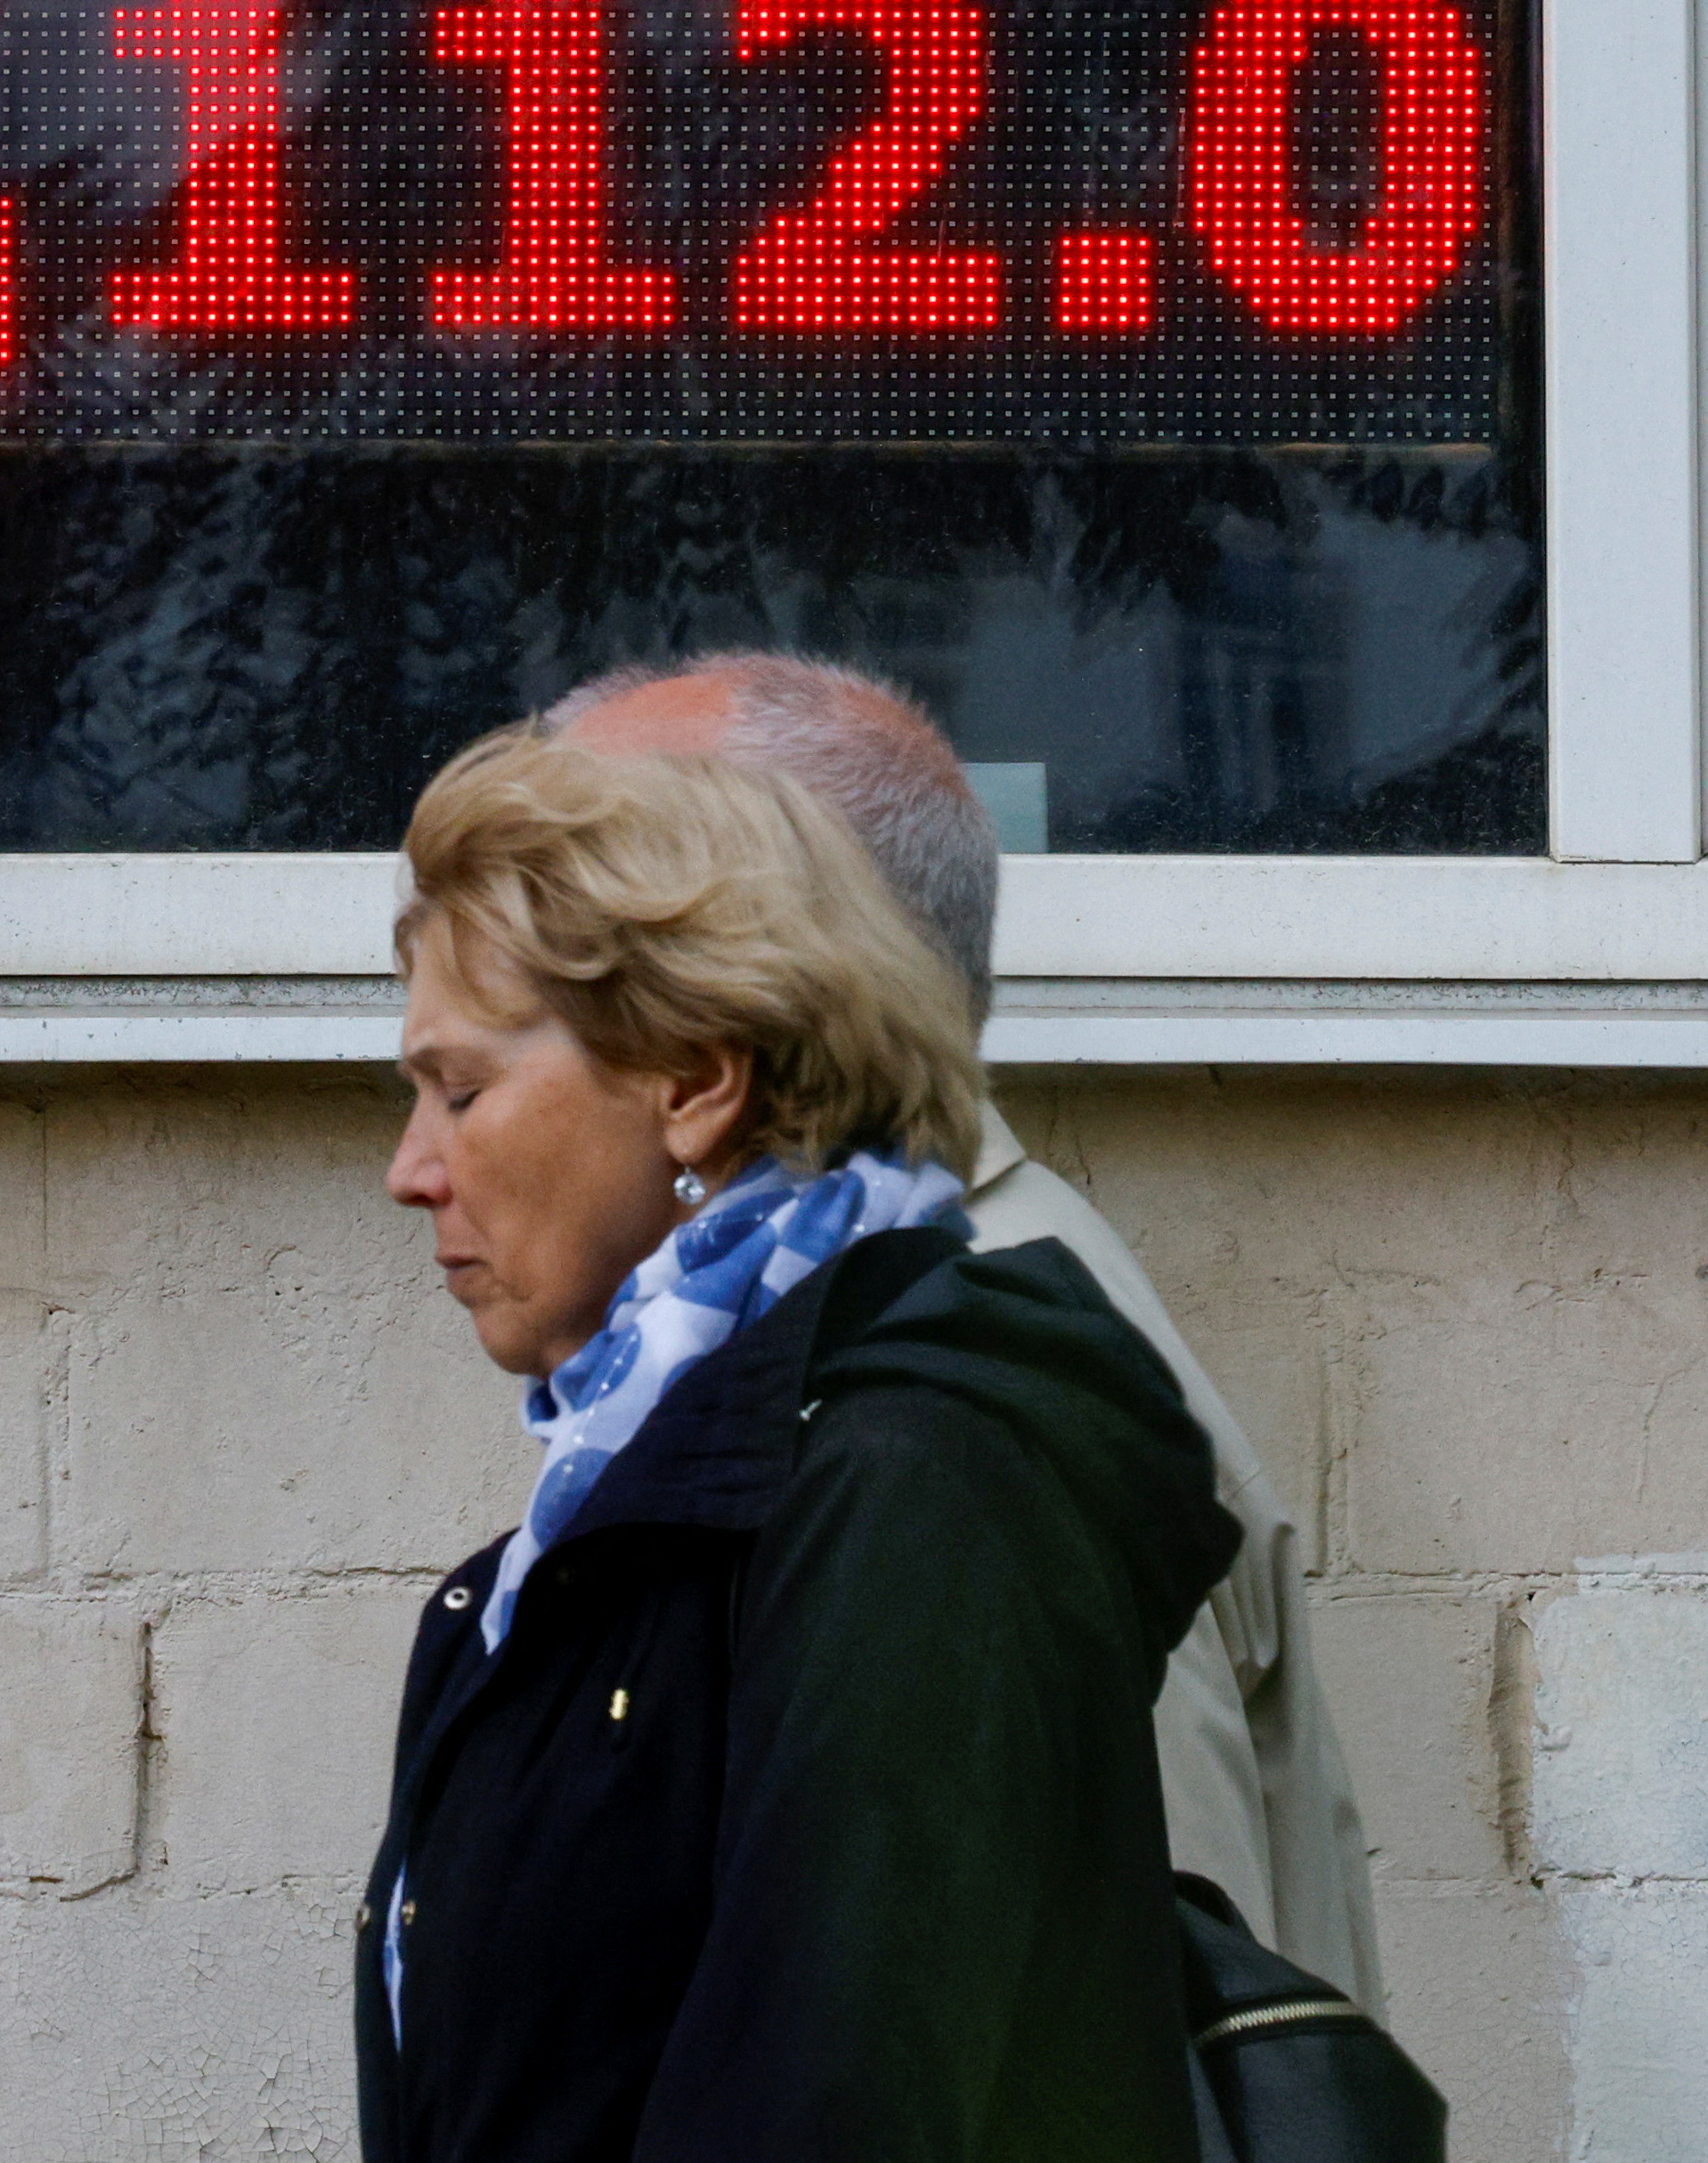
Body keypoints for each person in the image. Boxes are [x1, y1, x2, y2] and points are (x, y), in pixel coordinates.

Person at [366, 724, 1239, 2163]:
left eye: (459, 1092)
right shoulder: (585, 1548)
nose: (411, 1170)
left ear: (694, 1082)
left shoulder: (916, 1486)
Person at [552, 652, 1382, 2008]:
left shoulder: (971, 1400)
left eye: (574, 938)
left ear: (760, 988)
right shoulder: (807, 1322)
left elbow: (1121, 2044)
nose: (510, 999)